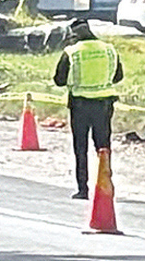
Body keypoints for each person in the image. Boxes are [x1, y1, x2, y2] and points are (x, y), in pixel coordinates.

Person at [53, 19, 124, 200]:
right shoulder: (109, 50)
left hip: (80, 106)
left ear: (74, 36)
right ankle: (107, 186)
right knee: (103, 147)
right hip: (104, 105)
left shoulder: (72, 53)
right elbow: (118, 77)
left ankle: (82, 189)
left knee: (81, 148)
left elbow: (59, 80)